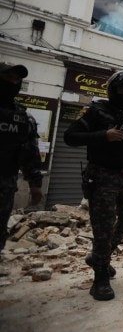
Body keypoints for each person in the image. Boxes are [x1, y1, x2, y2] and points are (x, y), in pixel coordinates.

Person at [64, 69, 123, 300]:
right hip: (102, 176)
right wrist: (103, 135)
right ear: (113, 90)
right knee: (102, 228)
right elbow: (70, 137)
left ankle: (99, 256)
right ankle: (100, 278)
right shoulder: (97, 110)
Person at [0, 62, 43, 253]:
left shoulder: (22, 116)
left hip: (5, 181)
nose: (12, 82)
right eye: (8, 77)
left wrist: (35, 184)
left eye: (16, 79)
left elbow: (30, 151)